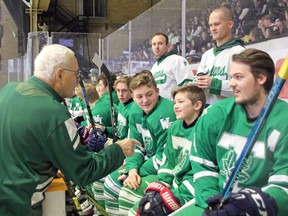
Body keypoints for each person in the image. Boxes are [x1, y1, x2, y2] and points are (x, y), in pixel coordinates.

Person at [0, 44, 140, 216]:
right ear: (60, 74)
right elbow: (84, 171)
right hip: (20, 205)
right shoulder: (54, 113)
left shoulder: (8, 91)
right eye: (76, 74)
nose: (77, 80)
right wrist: (118, 150)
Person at [172, 48, 288, 216]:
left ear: (261, 78)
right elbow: (202, 163)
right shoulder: (216, 114)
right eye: (231, 77)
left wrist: (249, 206)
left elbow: (283, 185)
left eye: (238, 77)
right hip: (218, 202)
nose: (231, 83)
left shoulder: (283, 120)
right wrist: (211, 200)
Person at [103, 71, 176, 215]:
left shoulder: (167, 113)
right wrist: (132, 170)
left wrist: (137, 172)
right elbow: (134, 145)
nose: (145, 100)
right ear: (133, 95)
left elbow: (164, 157)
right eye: (139, 96)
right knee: (110, 182)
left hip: (166, 169)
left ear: (157, 91)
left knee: (129, 194)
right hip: (146, 163)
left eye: (149, 94)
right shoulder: (135, 110)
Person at [127, 84, 206, 216]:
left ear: (197, 105)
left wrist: (175, 195)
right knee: (136, 210)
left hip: (193, 190)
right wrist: (163, 183)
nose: (175, 106)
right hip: (175, 184)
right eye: (175, 102)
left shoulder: (205, 130)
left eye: (180, 102)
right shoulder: (175, 127)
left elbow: (201, 170)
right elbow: (168, 160)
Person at [196, 6, 245, 106]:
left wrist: (214, 84)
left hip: (231, 112)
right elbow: (199, 81)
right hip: (208, 112)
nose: (212, 29)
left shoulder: (239, 52)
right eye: (210, 25)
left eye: (217, 24)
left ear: (230, 24)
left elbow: (243, 87)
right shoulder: (206, 55)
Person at [150, 32, 195, 100]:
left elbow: (188, 86)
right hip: (160, 108)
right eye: (154, 44)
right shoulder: (154, 67)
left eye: (160, 43)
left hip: (174, 107)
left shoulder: (177, 60)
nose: (156, 47)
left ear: (168, 46)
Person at [114, 75, 134, 140]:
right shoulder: (121, 104)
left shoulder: (133, 109)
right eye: (118, 90)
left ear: (131, 91)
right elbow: (119, 129)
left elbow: (130, 140)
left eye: (124, 90)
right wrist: (105, 129)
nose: (120, 94)